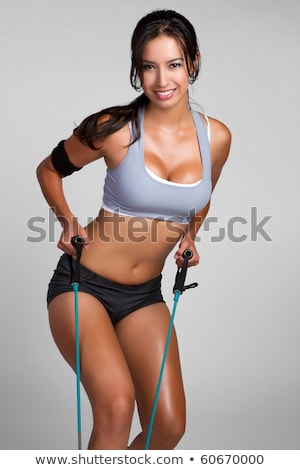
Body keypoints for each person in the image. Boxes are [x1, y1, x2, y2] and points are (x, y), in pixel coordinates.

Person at [36, 9, 231, 450]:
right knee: (116, 405)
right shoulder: (117, 130)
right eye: (149, 66)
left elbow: (201, 197)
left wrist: (189, 238)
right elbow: (48, 170)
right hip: (82, 287)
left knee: (168, 426)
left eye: (174, 64)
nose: (162, 79)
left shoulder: (216, 138)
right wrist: (68, 221)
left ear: (193, 63)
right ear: (137, 69)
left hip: (145, 296)